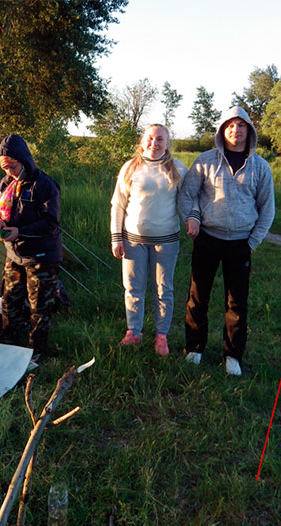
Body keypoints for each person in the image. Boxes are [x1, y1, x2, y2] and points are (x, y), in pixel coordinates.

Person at [178, 106, 275, 376]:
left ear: (249, 131)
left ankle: (232, 355)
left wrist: (252, 242)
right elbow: (187, 194)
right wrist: (191, 219)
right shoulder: (206, 160)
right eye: (230, 125)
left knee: (236, 302)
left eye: (241, 125)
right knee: (198, 297)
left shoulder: (260, 166)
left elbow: (267, 208)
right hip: (207, 238)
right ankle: (194, 348)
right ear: (222, 130)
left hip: (240, 243)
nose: (236, 130)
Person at [110, 124, 188, 356]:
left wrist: (194, 222)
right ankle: (133, 332)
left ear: (167, 143)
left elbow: (186, 203)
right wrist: (116, 238)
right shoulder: (129, 168)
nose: (154, 143)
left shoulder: (178, 169)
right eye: (150, 138)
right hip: (133, 241)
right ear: (143, 141)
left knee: (164, 289)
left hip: (166, 241)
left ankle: (161, 335)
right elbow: (118, 205)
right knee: (133, 287)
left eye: (160, 139)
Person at [0, 134, 62, 366]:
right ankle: (10, 342)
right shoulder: (5, 184)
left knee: (39, 306)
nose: (9, 171)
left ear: (24, 161)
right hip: (14, 254)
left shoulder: (43, 185)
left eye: (12, 166)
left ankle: (36, 352)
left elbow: (50, 223)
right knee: (10, 299)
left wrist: (20, 232)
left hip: (41, 255)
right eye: (5, 167)